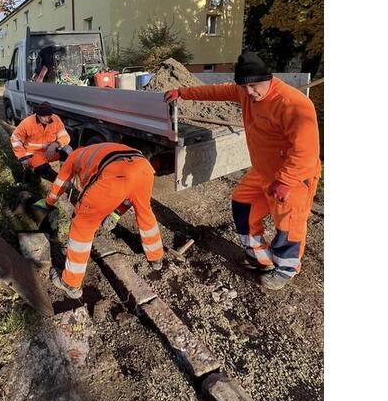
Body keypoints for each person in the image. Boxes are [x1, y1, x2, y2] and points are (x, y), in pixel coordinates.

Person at [163, 51, 320, 290]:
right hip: (263, 172)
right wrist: (182, 93)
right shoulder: (246, 91)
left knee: (289, 226)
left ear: (269, 79)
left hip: (293, 177)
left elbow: (306, 152)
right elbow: (215, 92)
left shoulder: (293, 104)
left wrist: (285, 180)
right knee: (242, 205)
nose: (249, 93)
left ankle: (286, 270)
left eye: (255, 86)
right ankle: (261, 257)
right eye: (244, 88)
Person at [34, 142, 164, 299]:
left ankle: (71, 283)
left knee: (82, 226)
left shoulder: (73, 158)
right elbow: (130, 187)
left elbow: (60, 184)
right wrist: (116, 213)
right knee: (145, 212)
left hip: (114, 176)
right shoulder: (96, 151)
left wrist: (48, 202)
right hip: (143, 168)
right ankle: (156, 258)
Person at [10, 101, 72, 182]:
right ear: (38, 115)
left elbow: (65, 136)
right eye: (45, 117)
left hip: (51, 152)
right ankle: (60, 183)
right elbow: (15, 139)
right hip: (34, 154)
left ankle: (64, 176)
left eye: (49, 116)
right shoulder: (27, 122)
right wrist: (22, 157)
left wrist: (55, 144)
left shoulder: (55, 119)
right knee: (42, 169)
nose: (48, 119)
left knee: (67, 150)